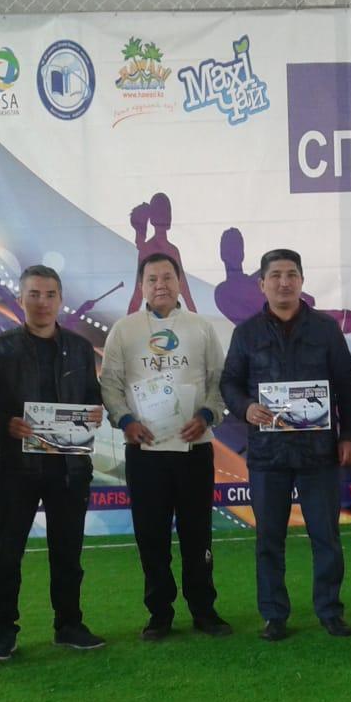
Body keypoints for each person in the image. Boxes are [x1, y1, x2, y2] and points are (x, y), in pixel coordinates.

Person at [220, 249, 351, 641]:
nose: (284, 282)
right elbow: (229, 382)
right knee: (269, 538)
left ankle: (330, 611)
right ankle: (274, 615)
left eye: (291, 274)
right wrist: (245, 407)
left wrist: (350, 435)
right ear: (262, 284)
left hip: (319, 452)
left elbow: (347, 386)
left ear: (301, 280)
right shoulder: (246, 334)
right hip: (268, 454)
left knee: (326, 536)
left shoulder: (325, 330)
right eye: (276, 275)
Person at [100, 252, 233, 640]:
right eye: (152, 279)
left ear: (179, 283)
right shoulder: (124, 330)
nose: (160, 285)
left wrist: (207, 415)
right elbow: (110, 385)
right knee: (151, 536)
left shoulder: (201, 327)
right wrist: (126, 421)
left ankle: (204, 609)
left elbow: (219, 381)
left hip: (194, 448)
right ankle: (159, 613)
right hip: (145, 452)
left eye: (168, 277)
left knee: (197, 534)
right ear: (142, 286)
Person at [0, 264, 105, 660]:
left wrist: (95, 412)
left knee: (67, 553)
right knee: (7, 554)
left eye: (50, 295)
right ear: (20, 299)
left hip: (70, 469)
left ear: (60, 300)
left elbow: (92, 397)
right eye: (33, 294)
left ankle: (69, 625)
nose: (42, 302)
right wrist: (5, 423)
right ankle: (2, 632)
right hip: (16, 469)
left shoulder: (80, 348)